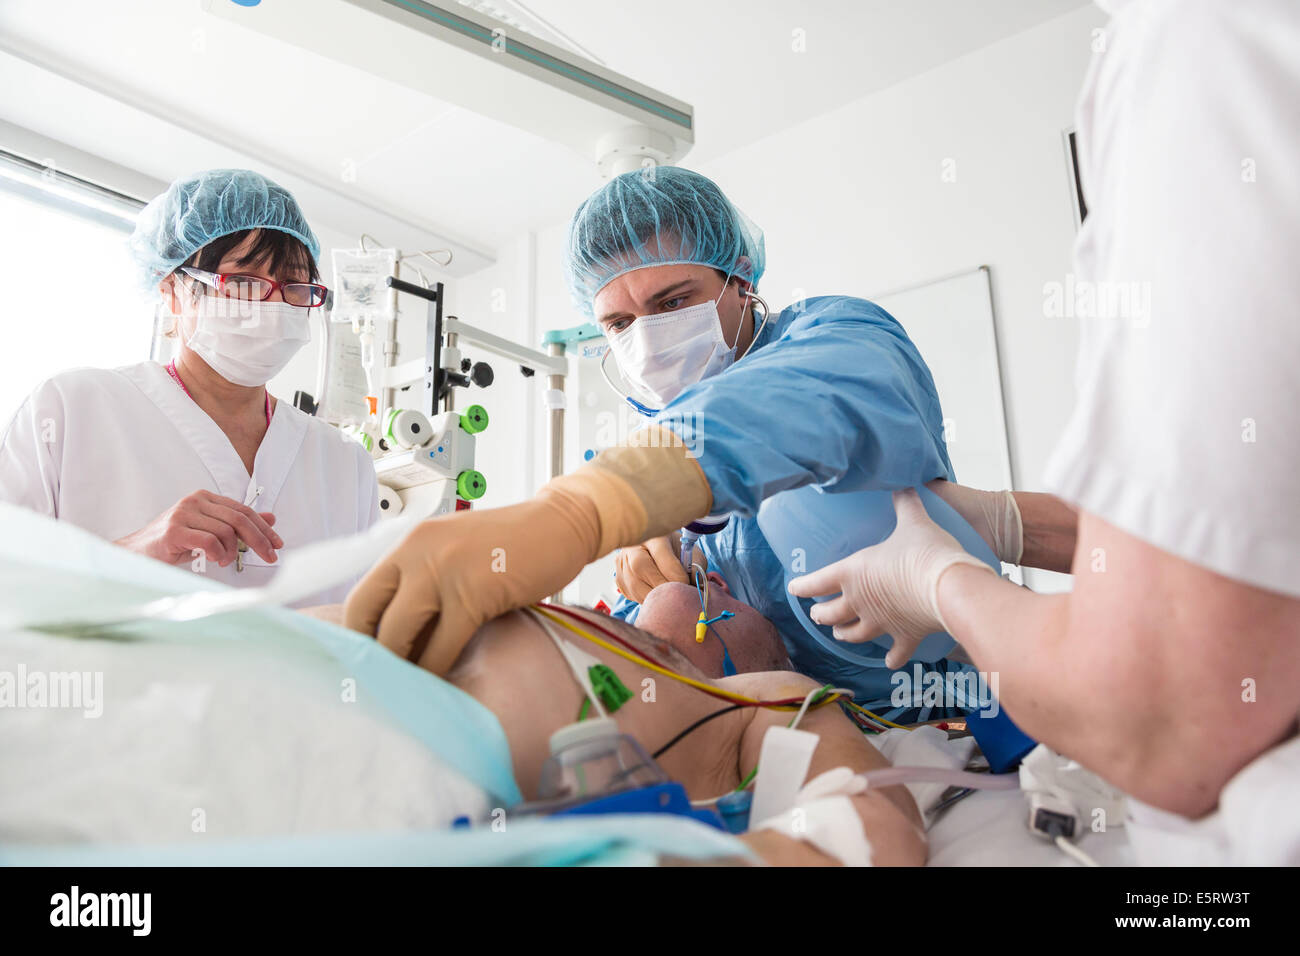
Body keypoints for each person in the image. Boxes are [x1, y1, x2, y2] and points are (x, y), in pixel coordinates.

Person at [787, 0, 1300, 864]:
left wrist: (942, 582)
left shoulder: (1204, 46)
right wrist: (999, 522)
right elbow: (1244, 541)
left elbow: (1154, 714)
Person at [345, 167, 967, 715]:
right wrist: (645, 581)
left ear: (740, 276)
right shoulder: (655, 432)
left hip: (920, 705)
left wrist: (590, 510)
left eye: (673, 302)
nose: (648, 338)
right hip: (769, 723)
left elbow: (793, 404)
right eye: (618, 322)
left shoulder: (837, 336)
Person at [0, 169, 378, 604]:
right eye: (244, 282)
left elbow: (367, 626)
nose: (274, 305)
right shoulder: (71, 409)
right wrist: (134, 552)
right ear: (174, 291)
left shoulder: (345, 463)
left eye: (294, 286)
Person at [308, 600, 926, 865]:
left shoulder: (768, 706)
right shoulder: (738, 704)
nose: (681, 605)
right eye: (649, 633)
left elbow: (872, 832)